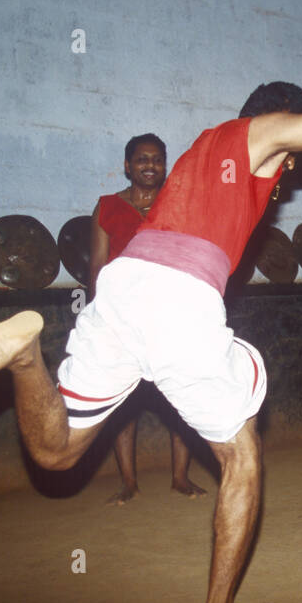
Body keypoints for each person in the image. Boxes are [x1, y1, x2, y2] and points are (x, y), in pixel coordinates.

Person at [0, 82, 302, 603]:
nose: (291, 164)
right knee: (242, 455)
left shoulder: (204, 148)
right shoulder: (256, 134)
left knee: (55, 451)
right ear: (285, 119)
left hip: (125, 286)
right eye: (293, 144)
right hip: (179, 295)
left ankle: (26, 360)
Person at [89, 132, 206, 504]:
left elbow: (190, 258)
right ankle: (128, 482)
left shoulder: (178, 205)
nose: (150, 165)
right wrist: (100, 315)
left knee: (179, 401)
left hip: (170, 316)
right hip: (122, 317)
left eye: (157, 159)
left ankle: (180, 479)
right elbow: (96, 266)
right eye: (142, 159)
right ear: (127, 166)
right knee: (124, 404)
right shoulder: (106, 207)